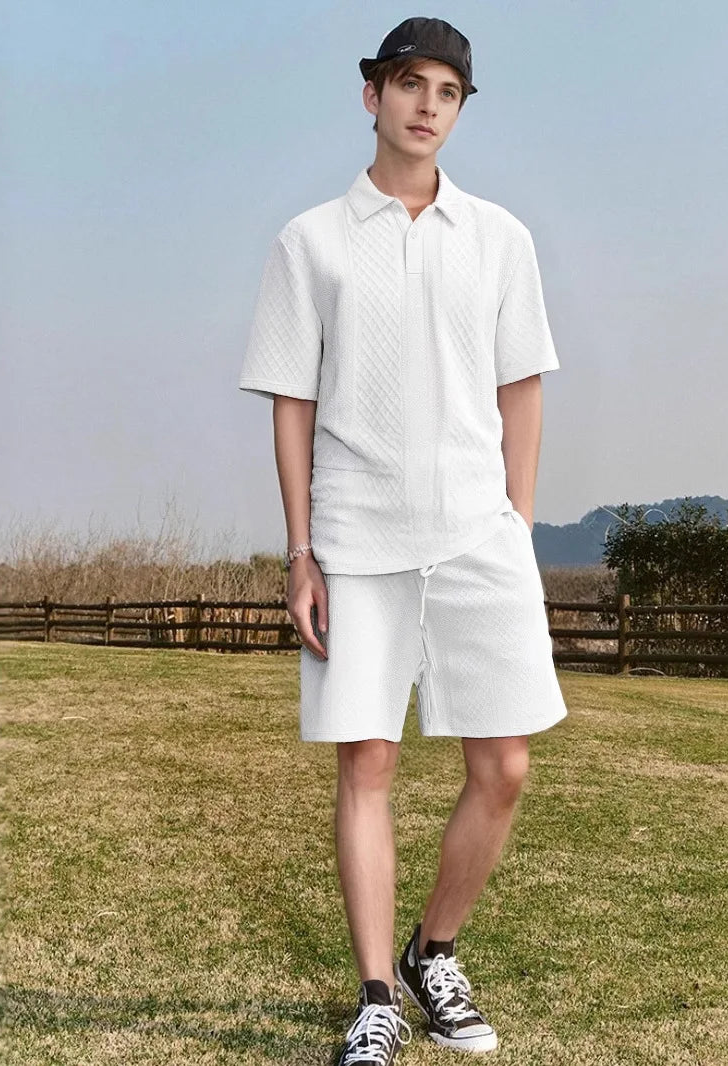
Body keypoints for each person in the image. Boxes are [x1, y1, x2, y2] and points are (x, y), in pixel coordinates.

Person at [238, 16, 568, 1062]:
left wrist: (516, 522)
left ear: (461, 108)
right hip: (357, 535)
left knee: (504, 764)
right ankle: (378, 993)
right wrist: (301, 553)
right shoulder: (310, 242)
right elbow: (291, 402)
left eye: (448, 91)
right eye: (410, 84)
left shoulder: (502, 239)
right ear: (371, 94)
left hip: (478, 534)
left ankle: (436, 950)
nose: (428, 106)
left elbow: (522, 387)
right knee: (368, 761)